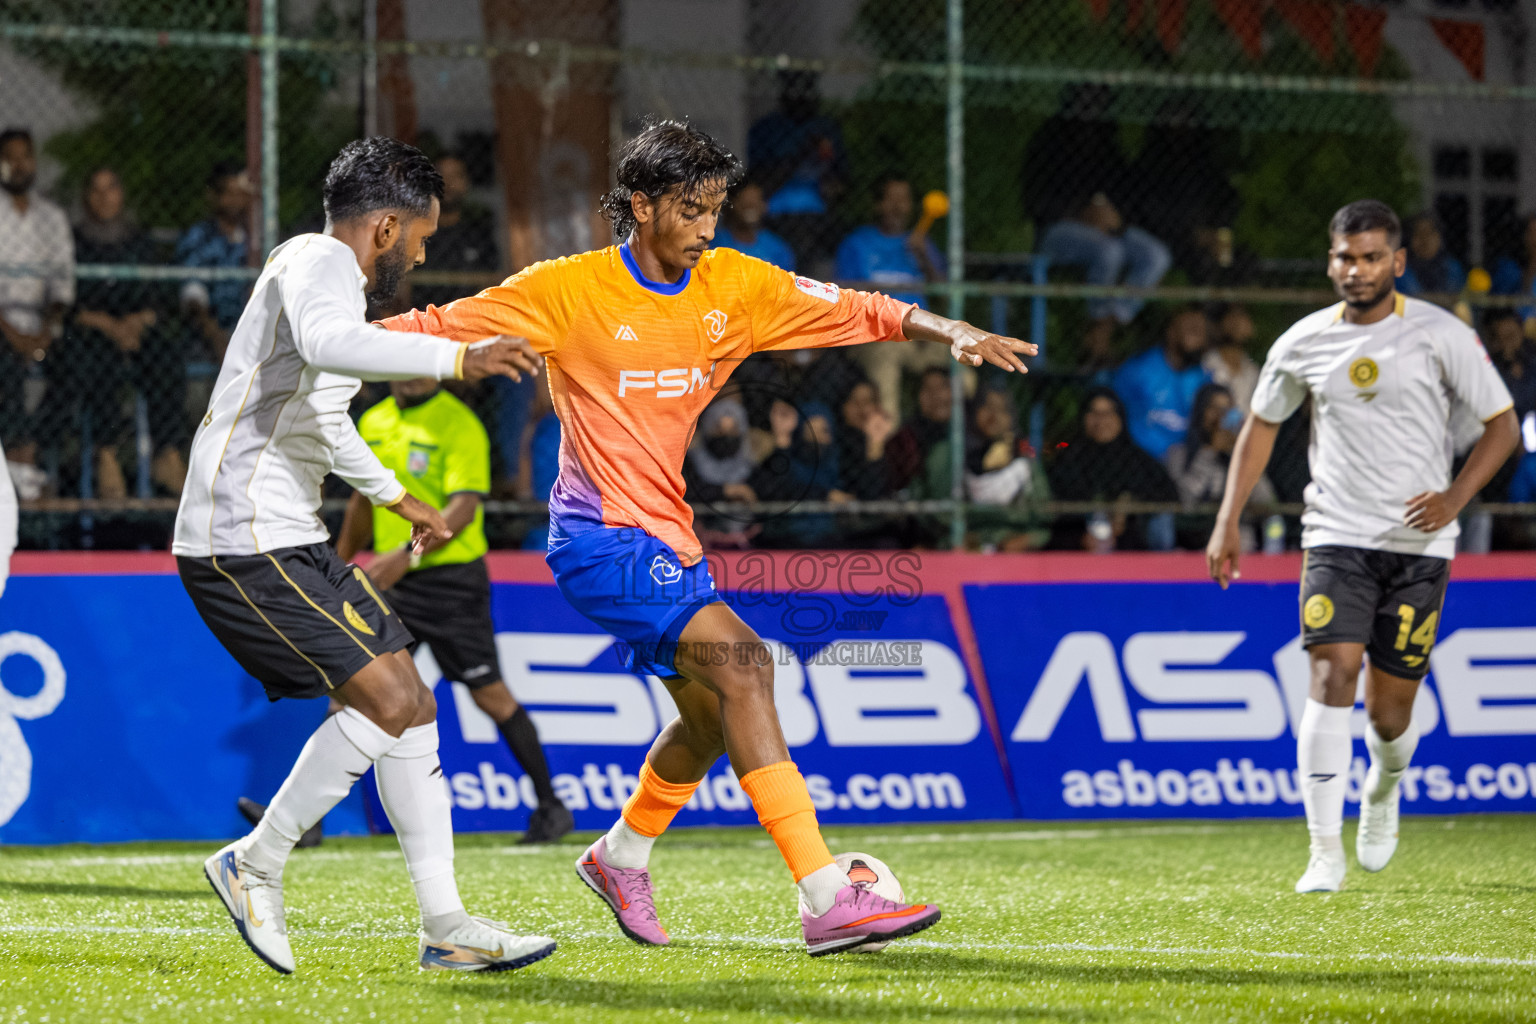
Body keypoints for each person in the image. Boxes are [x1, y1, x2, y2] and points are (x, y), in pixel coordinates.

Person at [380, 119, 1035, 955]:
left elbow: (856, 307)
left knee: (709, 721)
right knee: (749, 665)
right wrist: (308, 334)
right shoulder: (567, 290)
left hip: (669, 542)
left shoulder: (733, 284)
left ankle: (620, 857)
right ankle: (828, 896)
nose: (707, 228)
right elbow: (435, 327)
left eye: (716, 209)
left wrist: (952, 331)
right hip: (597, 538)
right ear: (641, 205)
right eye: (691, 210)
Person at [173, 137, 553, 975]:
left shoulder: (329, 289)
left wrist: (397, 498)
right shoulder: (316, 263)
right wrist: (461, 356)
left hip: (287, 534)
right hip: (241, 538)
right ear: (385, 227)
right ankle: (255, 864)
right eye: (421, 237)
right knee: (387, 698)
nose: (421, 254)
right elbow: (327, 345)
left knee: (412, 701)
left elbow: (326, 414)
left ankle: (447, 925)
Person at [1206, 200, 1518, 894]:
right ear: (1330, 261)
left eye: (1373, 257)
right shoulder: (1303, 341)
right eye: (1346, 257)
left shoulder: (1440, 335)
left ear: (1397, 263)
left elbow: (1503, 427)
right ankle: (1323, 852)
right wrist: (1229, 518)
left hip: (1421, 546)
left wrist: (1452, 499)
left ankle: (1383, 789)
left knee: (1389, 714)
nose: (1358, 269)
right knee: (1329, 675)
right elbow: (1260, 425)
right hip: (1335, 537)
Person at [333, 377, 573, 843]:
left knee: (491, 697)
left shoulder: (459, 423)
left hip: (450, 584)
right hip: (393, 582)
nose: (415, 372)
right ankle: (305, 824)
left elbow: (462, 508)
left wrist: (408, 554)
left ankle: (551, 807)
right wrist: (341, 560)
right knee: (351, 687)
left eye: (422, 362)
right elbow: (364, 496)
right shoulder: (374, 420)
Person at [47, 167, 187, 498]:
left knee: (166, 356)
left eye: (110, 188)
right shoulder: (74, 240)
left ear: (121, 193)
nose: (104, 197)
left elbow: (158, 296)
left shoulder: (139, 240)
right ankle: (105, 454)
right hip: (94, 330)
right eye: (95, 190)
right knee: (99, 363)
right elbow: (70, 302)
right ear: (85, 197)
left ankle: (166, 453)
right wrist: (110, 326)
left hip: (136, 329)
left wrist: (137, 322)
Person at [1021, 86, 1172, 346]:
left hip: (1110, 229)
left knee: (1156, 255)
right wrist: (1080, 213)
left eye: (1097, 104)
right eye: (1084, 103)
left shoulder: (1109, 146)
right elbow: (1036, 203)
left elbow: (1131, 198)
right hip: (1058, 230)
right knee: (1110, 252)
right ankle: (1097, 328)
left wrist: (1117, 218)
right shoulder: (1048, 142)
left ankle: (1107, 325)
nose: (1090, 111)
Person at [835, 177, 950, 423]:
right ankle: (889, 444)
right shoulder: (857, 244)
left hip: (921, 336)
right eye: (891, 199)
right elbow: (844, 298)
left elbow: (943, 291)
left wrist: (923, 256)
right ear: (877, 205)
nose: (898, 206)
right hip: (876, 336)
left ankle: (958, 441)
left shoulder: (922, 244)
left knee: (962, 356)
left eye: (904, 200)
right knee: (886, 360)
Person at [0, 128, 75, 495]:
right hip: (2, 324)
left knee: (78, 364)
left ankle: (35, 450)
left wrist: (46, 329)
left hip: (42, 323)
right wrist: (15, 335)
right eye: (9, 157)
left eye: (24, 156)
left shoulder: (52, 217)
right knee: (6, 360)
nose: (18, 165)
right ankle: (17, 457)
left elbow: (63, 285)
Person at [1048, 387, 1178, 551]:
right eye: (1094, 413)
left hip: (1134, 548)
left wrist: (1131, 504)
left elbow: (1168, 495)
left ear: (1120, 418)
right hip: (1078, 548)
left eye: (1108, 413)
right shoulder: (1068, 461)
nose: (1100, 421)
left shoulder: (1139, 461)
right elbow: (1056, 510)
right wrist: (1080, 535)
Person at [1165, 382, 1274, 550]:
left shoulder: (1240, 456)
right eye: (1214, 409)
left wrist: (1239, 455)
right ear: (1200, 413)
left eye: (1227, 410)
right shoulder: (1178, 455)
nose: (1220, 417)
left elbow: (1265, 501)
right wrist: (1212, 452)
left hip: (1238, 541)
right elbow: (1188, 502)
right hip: (1192, 541)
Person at [176, 160, 256, 361]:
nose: (235, 201)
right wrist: (215, 336)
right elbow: (192, 293)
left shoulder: (256, 239)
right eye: (228, 193)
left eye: (241, 194)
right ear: (213, 196)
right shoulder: (198, 236)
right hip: (206, 336)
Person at [1113, 305, 1213, 460]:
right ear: (1171, 332)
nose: (1199, 335)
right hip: (1139, 459)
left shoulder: (1203, 377)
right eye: (1192, 329)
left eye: (1202, 331)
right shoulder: (1139, 369)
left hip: (1187, 463)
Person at [712, 179, 796, 272]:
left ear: (764, 206)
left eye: (754, 205)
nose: (750, 211)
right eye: (745, 205)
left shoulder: (778, 248)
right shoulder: (715, 242)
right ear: (732, 205)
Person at [1202, 303, 1261, 413]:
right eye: (1232, 316)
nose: (1237, 322)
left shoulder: (1253, 370)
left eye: (1241, 316)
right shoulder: (1206, 365)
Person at [1395, 213, 1465, 297]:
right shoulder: (1400, 270)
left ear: (1439, 238)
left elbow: (1461, 300)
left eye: (1429, 233)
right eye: (1418, 234)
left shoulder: (1452, 267)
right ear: (1408, 239)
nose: (1425, 240)